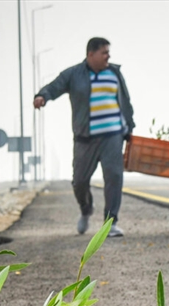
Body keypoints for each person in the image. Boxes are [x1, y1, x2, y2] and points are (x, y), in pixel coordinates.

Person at [34, 37, 135, 237]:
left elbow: (125, 101)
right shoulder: (74, 74)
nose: (108, 56)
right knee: (79, 181)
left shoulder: (115, 73)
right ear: (91, 54)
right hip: (85, 138)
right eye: (104, 52)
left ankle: (110, 223)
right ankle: (85, 209)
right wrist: (42, 96)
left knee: (114, 177)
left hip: (112, 136)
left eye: (108, 52)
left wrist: (129, 127)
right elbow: (55, 86)